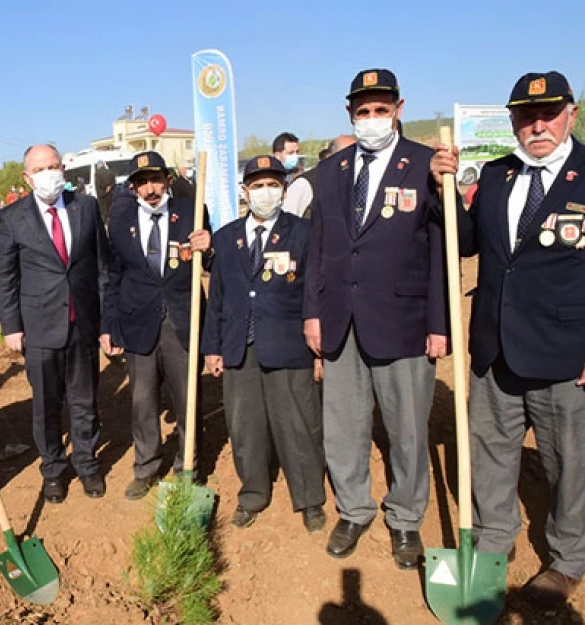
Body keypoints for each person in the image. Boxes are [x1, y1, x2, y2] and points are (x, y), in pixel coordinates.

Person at [431, 70, 585, 607]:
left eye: (549, 113)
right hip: (495, 348)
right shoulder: (496, 175)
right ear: (513, 120)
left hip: (568, 354)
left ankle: (570, 557)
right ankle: (495, 537)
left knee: (572, 464)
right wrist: (439, 187)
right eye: (525, 116)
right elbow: (466, 243)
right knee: (491, 451)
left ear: (570, 113)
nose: (537, 124)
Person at [304, 68, 448, 570]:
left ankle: (406, 518)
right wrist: (312, 314)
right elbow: (317, 247)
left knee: (407, 429)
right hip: (341, 318)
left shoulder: (427, 165)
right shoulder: (332, 170)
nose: (371, 119)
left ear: (399, 109)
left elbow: (446, 250)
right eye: (362, 112)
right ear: (349, 114)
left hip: (404, 320)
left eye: (380, 110)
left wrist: (440, 324)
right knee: (343, 426)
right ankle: (354, 508)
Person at [203, 156, 326, 532]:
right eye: (257, 186)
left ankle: (309, 499)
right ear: (245, 192)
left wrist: (320, 346)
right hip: (240, 345)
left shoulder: (303, 233)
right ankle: (253, 493)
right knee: (245, 426)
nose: (265, 192)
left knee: (298, 424)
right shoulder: (226, 238)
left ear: (285, 189)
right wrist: (213, 347)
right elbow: (218, 296)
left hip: (289, 346)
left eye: (272, 184)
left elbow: (315, 293)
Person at [0, 145, 110, 503]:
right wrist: (11, 326)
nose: (50, 173)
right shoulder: (13, 217)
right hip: (39, 327)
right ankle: (53, 470)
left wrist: (106, 323)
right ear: (27, 178)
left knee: (84, 401)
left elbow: (102, 268)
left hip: (83, 323)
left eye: (55, 166)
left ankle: (87, 465)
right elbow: (6, 276)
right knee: (46, 405)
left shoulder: (86, 207)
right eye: (41, 168)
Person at [102, 151, 212, 500]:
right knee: (143, 401)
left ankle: (186, 467)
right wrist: (109, 326)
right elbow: (111, 277)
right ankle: (146, 466)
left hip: (181, 320)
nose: (150, 189)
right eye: (142, 182)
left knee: (186, 398)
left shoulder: (191, 213)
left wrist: (207, 249)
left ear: (167, 180)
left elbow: (210, 260)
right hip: (138, 322)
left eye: (155, 180)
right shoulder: (120, 223)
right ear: (133, 188)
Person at [284, 135, 357, 219]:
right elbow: (287, 221)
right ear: (330, 156)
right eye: (346, 155)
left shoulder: (357, 182)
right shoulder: (306, 183)